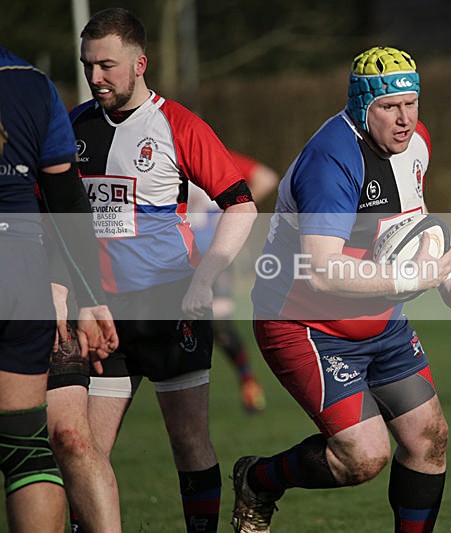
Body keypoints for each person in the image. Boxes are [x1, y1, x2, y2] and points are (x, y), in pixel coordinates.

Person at [236, 46, 451, 532]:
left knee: (429, 439)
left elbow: (407, 222)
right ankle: (258, 480)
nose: (404, 119)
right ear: (361, 106)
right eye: (389, 107)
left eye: (411, 103)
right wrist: (417, 280)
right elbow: (322, 270)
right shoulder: (331, 162)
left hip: (379, 318)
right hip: (305, 324)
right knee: (364, 457)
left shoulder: (415, 143)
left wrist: (444, 278)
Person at [44, 7, 257, 533]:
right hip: (101, 314)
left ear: (141, 63)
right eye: (88, 65)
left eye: (107, 66)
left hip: (169, 303)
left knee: (188, 442)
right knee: (81, 448)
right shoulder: (73, 127)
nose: (95, 77)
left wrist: (206, 278)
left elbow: (240, 205)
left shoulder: (177, 125)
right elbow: (51, 217)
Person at [0, 46, 118, 532]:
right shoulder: (29, 82)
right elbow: (67, 198)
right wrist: (90, 296)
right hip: (20, 268)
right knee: (25, 447)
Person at [188, 150, 278, 413]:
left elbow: (267, 178)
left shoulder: (214, 158)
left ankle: (248, 380)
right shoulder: (160, 160)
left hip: (215, 257)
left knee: (220, 326)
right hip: (174, 258)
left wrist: (234, 208)